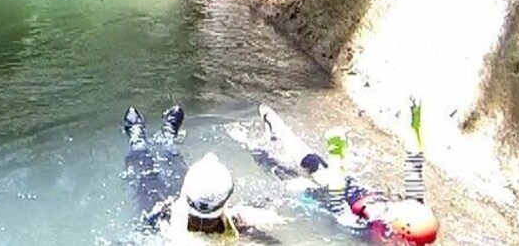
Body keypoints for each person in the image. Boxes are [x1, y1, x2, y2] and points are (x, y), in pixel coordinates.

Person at [242, 100, 439, 245]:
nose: (395, 205)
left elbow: (337, 203)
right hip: (343, 193)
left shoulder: (376, 221)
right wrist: (415, 124)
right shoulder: (393, 216)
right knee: (303, 169)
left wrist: (338, 156)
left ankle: (261, 140)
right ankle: (266, 133)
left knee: (299, 171)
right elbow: (414, 164)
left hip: (341, 194)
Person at [122, 105, 286, 241]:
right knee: (175, 166)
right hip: (187, 207)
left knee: (145, 175)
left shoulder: (170, 232)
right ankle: (168, 137)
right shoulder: (235, 226)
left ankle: (137, 139)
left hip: (164, 216)